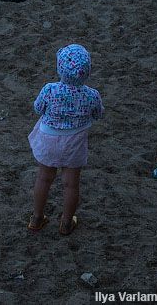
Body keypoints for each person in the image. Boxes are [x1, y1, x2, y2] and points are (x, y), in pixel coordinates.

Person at [28, 44, 104, 236]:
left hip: (49, 141)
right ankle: (67, 223)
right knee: (71, 184)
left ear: (60, 68)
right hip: (74, 144)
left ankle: (37, 218)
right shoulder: (91, 95)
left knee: (44, 178)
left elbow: (38, 108)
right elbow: (98, 114)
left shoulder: (49, 90)